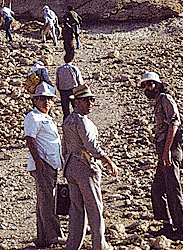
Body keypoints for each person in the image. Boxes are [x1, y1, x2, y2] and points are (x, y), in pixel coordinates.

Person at [62, 84, 118, 250]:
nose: (90, 103)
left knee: (77, 210)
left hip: (70, 166)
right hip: (85, 167)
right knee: (94, 209)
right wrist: (108, 160)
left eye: (92, 100)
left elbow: (64, 147)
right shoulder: (82, 121)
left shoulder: (68, 120)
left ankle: (72, 246)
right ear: (77, 102)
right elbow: (91, 145)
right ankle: (99, 246)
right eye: (86, 100)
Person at [140, 72, 183, 243]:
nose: (146, 89)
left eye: (149, 85)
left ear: (157, 84)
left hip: (170, 149)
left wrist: (167, 150)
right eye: (144, 86)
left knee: (173, 188)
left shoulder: (165, 99)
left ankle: (182, 230)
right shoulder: (158, 102)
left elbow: (174, 123)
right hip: (163, 149)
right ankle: (167, 225)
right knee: (157, 189)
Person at [24, 81, 63, 248]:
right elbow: (30, 139)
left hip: (50, 163)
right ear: (35, 100)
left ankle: (43, 237)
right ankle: (53, 235)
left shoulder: (46, 118)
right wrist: (38, 161)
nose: (46, 101)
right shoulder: (32, 117)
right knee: (48, 201)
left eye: (49, 99)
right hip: (44, 163)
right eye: (42, 98)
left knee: (43, 200)